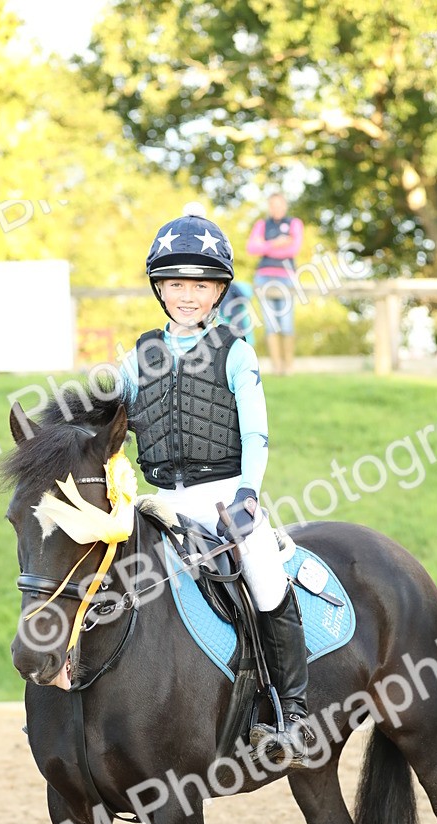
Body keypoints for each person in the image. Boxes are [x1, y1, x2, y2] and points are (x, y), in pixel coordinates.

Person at [120, 213, 315, 765]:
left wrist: (248, 495)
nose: (187, 295)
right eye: (176, 283)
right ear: (160, 288)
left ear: (218, 291)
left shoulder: (236, 350)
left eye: (200, 284)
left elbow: (255, 432)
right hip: (156, 501)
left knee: (265, 577)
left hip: (224, 494)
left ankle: (290, 713)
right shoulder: (137, 357)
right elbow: (107, 416)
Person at [246, 193, 304, 375]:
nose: (276, 208)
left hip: (286, 277)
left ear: (285, 206)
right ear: (269, 206)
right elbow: (252, 248)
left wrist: (265, 246)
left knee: (287, 321)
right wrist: (277, 243)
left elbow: (293, 249)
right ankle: (276, 367)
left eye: (279, 205)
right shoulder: (262, 225)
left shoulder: (295, 223)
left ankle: (289, 366)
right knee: (270, 323)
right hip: (263, 277)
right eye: (273, 205)